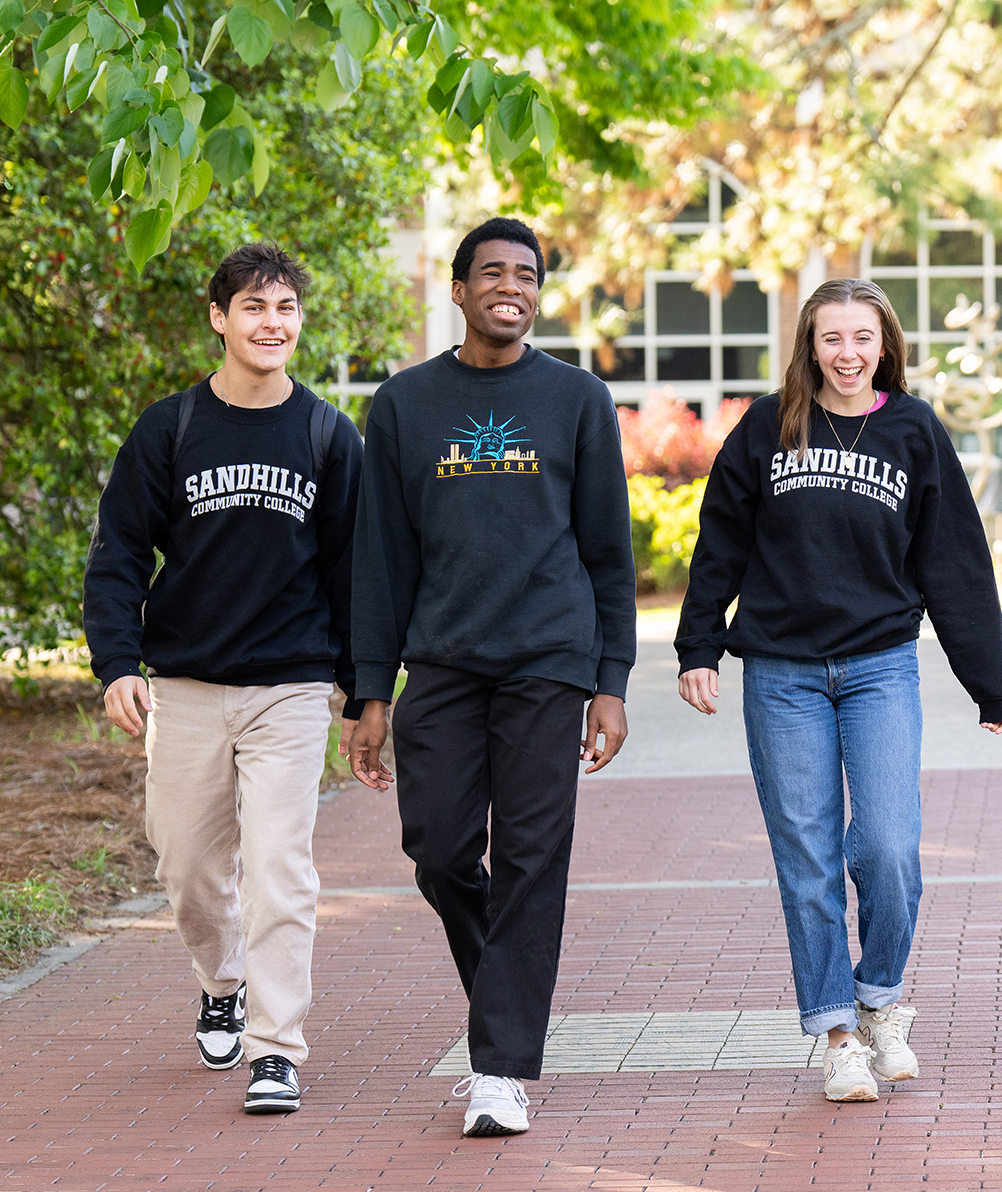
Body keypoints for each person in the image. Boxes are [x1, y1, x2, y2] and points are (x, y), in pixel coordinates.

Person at [674, 279, 1002, 1103]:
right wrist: (699, 646)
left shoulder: (912, 429)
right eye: (833, 337)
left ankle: (880, 1000)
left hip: (879, 666)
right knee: (808, 858)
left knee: (891, 849)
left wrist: (989, 682)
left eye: (863, 336)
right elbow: (719, 538)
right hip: (783, 673)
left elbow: (954, 561)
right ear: (810, 345)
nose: (849, 353)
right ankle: (836, 1033)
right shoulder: (768, 426)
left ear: (884, 343)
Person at [343, 216, 635, 1137]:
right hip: (442, 664)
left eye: (527, 274)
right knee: (436, 850)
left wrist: (612, 680)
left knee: (531, 860)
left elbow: (608, 553)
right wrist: (369, 694)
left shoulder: (578, 400)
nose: (511, 285)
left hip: (548, 664)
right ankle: (503, 996)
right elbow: (380, 559)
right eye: (492, 273)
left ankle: (500, 1068)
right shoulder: (402, 405)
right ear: (460, 291)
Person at [84, 243, 364, 1115]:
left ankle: (276, 1048)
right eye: (254, 307)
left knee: (280, 867)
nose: (271, 323)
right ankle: (223, 978)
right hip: (187, 685)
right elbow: (119, 555)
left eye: (285, 308)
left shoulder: (325, 433)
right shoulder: (169, 429)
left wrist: (361, 689)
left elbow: (356, 572)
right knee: (187, 865)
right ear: (220, 318)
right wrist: (115, 664)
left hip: (289, 686)